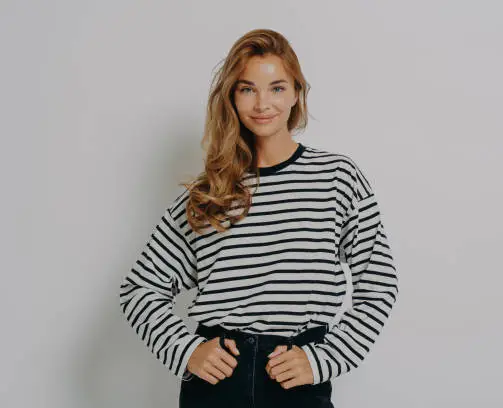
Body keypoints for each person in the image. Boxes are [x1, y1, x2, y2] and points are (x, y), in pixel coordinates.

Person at [118, 28, 399, 408]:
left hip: (295, 379)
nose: (262, 103)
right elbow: (140, 289)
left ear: (297, 92)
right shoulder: (210, 193)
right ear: (232, 97)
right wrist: (187, 350)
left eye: (277, 88)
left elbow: (379, 283)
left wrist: (323, 360)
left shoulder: (337, 178)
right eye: (247, 88)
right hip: (217, 384)